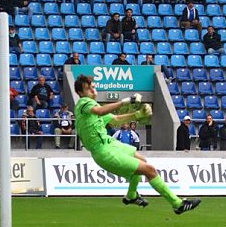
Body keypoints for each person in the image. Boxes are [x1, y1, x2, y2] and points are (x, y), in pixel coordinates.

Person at [74, 75, 200, 214]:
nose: (93, 91)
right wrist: (126, 101)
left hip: (110, 144)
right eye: (88, 89)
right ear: (80, 93)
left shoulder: (91, 110)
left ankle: (132, 196)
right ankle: (177, 204)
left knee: (142, 160)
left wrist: (138, 114)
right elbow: (100, 111)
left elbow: (115, 119)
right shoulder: (84, 103)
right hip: (104, 151)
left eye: (93, 87)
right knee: (149, 170)